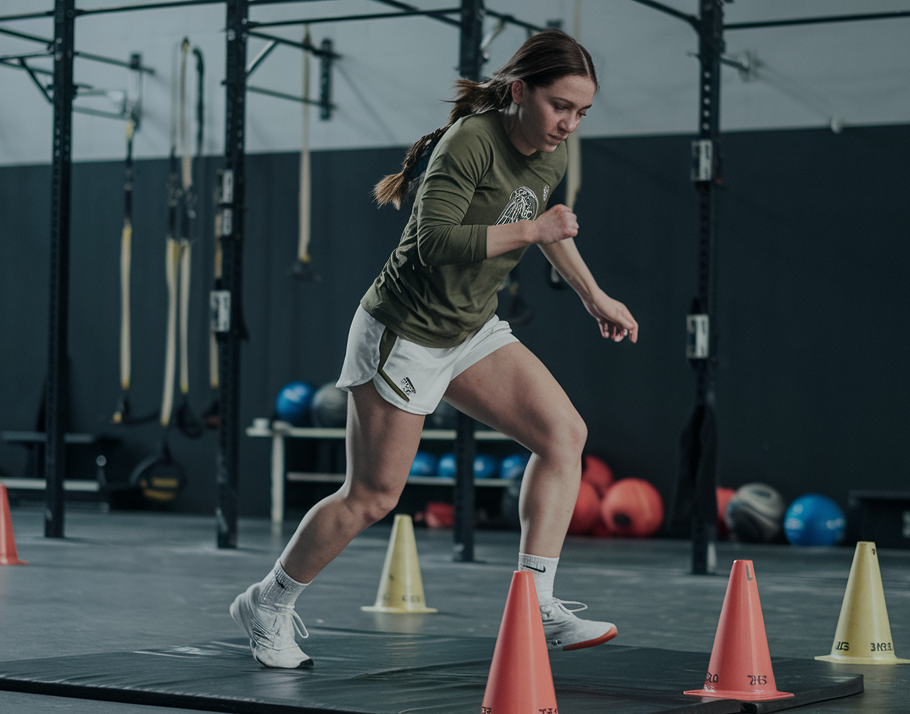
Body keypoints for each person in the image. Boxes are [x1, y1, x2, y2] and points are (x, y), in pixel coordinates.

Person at [231, 29, 639, 669]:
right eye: (560, 105)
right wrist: (532, 229)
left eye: (582, 111)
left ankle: (535, 600)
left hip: (470, 328)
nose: (570, 123)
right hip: (404, 332)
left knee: (564, 436)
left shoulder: (550, 155)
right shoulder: (471, 142)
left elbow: (549, 226)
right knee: (371, 497)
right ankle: (269, 601)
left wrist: (593, 294)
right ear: (518, 91)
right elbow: (434, 242)